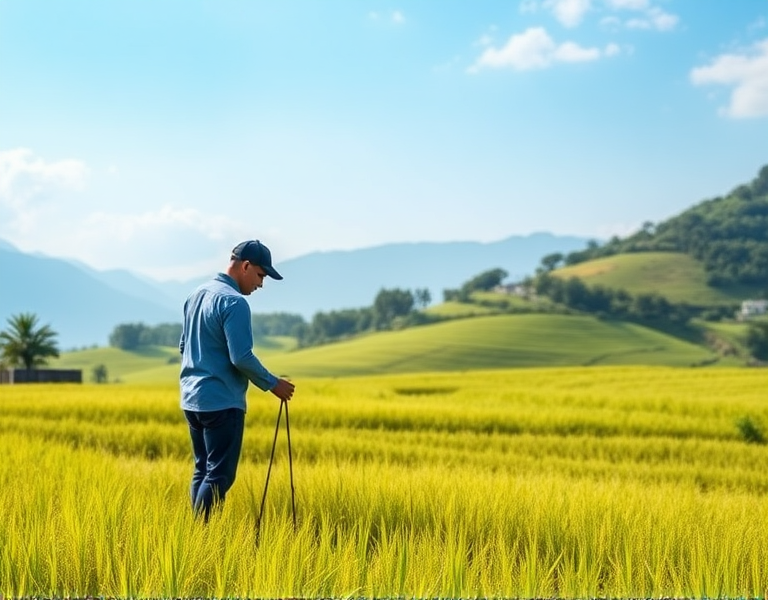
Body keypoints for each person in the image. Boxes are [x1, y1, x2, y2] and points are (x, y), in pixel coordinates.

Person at [179, 239, 295, 520]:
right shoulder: (234, 302)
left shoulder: (197, 294)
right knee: (220, 475)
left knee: (203, 469)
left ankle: (196, 534)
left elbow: (184, 346)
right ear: (245, 266)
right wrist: (272, 384)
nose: (261, 284)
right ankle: (201, 535)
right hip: (221, 402)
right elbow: (241, 357)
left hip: (192, 399)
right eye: (260, 275)